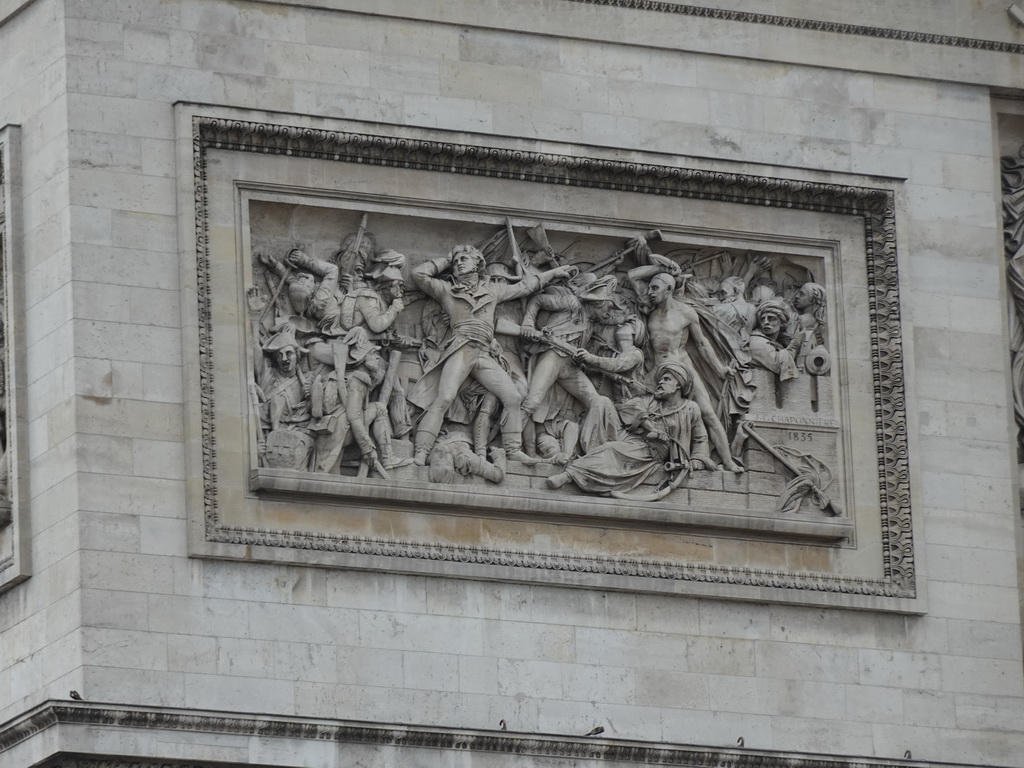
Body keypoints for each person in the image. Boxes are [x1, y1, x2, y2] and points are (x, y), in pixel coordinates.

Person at [407, 244, 576, 465]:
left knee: (514, 397)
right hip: (461, 348)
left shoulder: (492, 290)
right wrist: (446, 260)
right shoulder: (446, 290)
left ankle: (512, 450)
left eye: (464, 258)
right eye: (456, 261)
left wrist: (553, 273)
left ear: (478, 263)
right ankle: (421, 451)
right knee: (445, 397)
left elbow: (526, 287)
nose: (459, 263)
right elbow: (418, 274)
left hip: (484, 353)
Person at [629, 269, 743, 472]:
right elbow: (632, 276)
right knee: (633, 406)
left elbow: (702, 344)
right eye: (650, 288)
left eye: (655, 287)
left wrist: (719, 369)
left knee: (707, 412)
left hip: (682, 369)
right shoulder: (650, 310)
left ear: (669, 289)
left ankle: (727, 461)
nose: (651, 292)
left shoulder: (686, 313)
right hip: (657, 371)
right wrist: (662, 266)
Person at [546, 362, 713, 495]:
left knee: (612, 449)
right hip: (628, 436)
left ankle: (568, 475)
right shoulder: (651, 400)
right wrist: (649, 426)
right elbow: (632, 408)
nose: (661, 382)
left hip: (648, 450)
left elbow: (700, 438)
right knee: (601, 402)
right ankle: (591, 453)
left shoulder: (690, 408)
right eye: (661, 379)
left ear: (679, 385)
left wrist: (698, 459)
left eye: (667, 380)